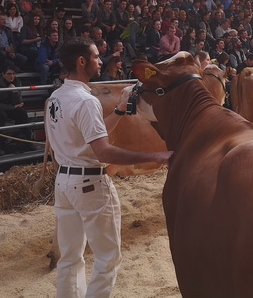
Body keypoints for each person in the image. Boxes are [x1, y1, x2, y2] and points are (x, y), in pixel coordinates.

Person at [45, 36, 173, 297]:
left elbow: (90, 135)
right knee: (107, 259)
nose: (100, 60)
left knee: (70, 258)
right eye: (95, 56)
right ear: (82, 61)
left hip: (64, 182)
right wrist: (156, 156)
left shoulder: (56, 97)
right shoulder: (86, 100)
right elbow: (103, 151)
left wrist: (119, 110)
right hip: (90, 184)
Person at [0, 66, 35, 155]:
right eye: (9, 74)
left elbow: (19, 102)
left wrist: (15, 92)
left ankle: (26, 141)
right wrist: (11, 107)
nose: (11, 76)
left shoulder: (17, 82)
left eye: (13, 74)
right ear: (3, 74)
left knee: (22, 112)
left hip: (6, 107)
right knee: (0, 115)